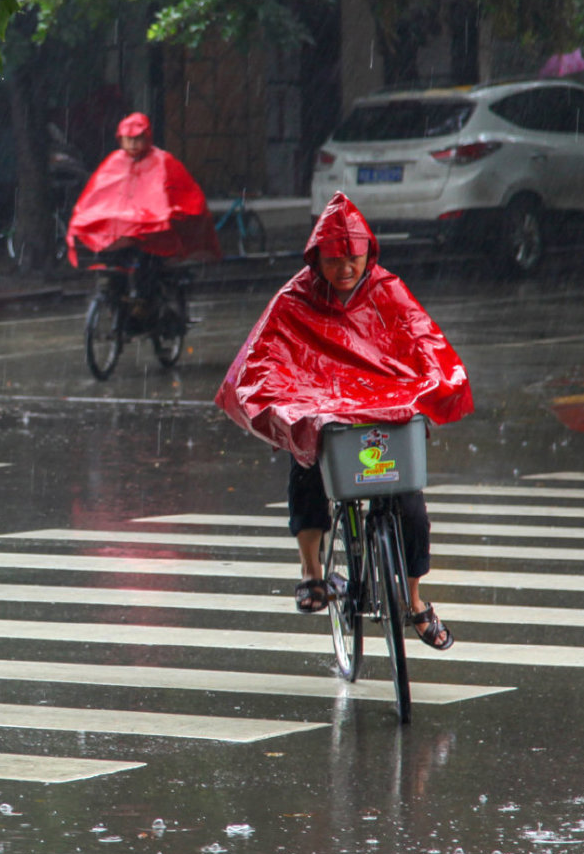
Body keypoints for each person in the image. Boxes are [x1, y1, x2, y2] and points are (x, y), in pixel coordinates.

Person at [215, 191, 473, 650]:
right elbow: (265, 360)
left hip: (386, 410)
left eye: (352, 258)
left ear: (366, 254)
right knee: (306, 467)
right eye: (334, 260)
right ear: (318, 259)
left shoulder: (388, 290)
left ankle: (415, 601)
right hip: (324, 416)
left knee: (409, 504)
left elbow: (424, 342)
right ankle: (312, 574)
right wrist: (290, 407)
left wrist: (434, 384)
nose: (344, 269)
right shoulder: (294, 298)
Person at [66, 112, 220, 267]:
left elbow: (185, 194)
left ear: (147, 137)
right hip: (125, 229)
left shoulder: (163, 161)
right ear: (121, 139)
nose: (133, 144)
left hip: (152, 232)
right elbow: (96, 195)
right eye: (128, 139)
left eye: (137, 138)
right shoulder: (113, 162)